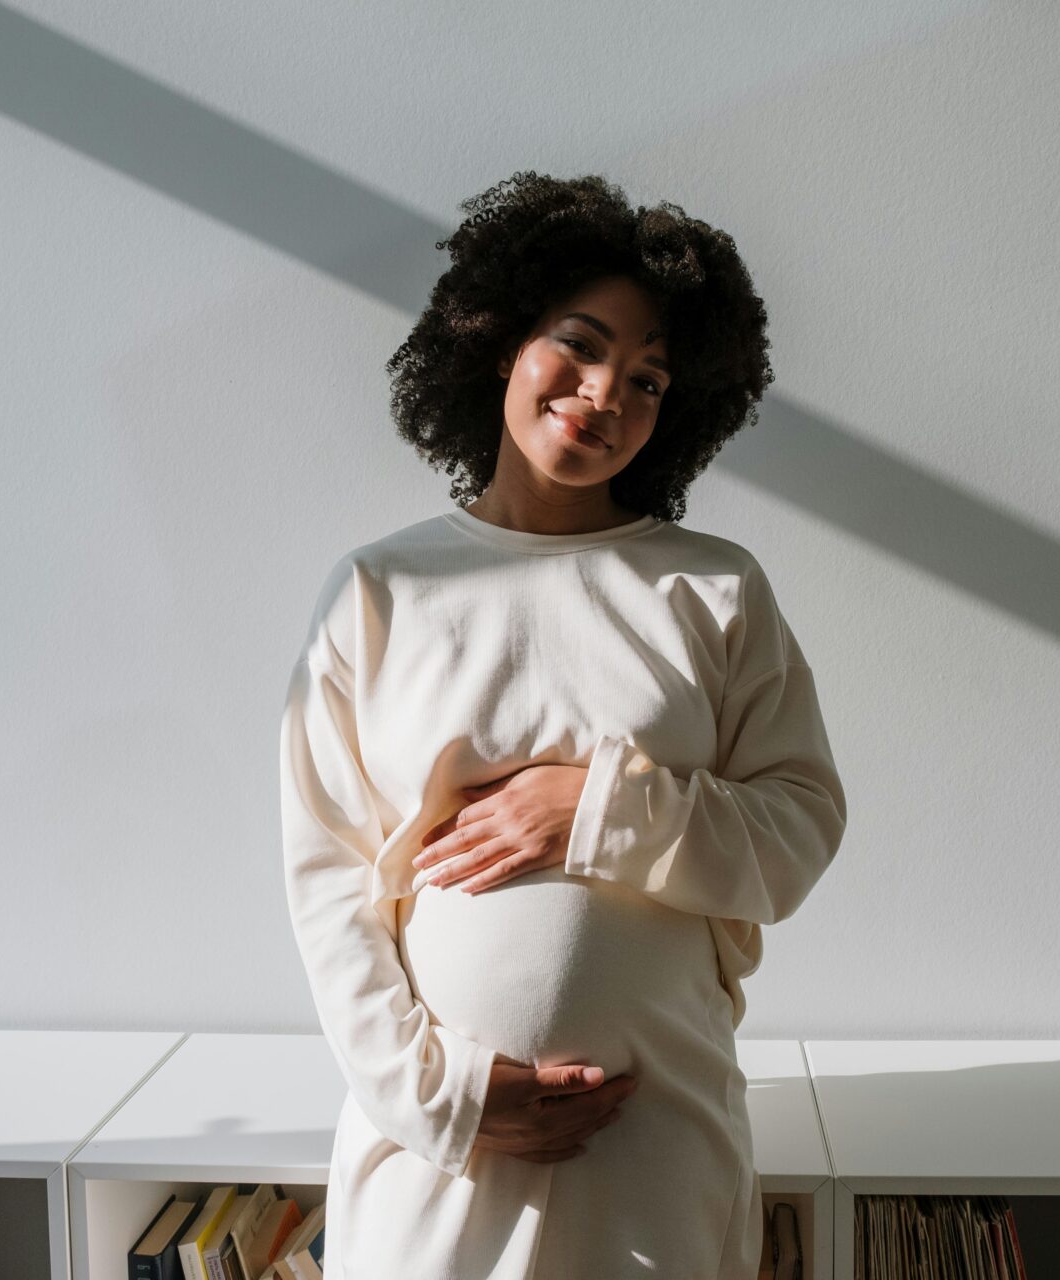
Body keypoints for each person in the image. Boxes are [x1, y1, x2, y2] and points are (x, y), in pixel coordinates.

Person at [280, 171, 848, 1278]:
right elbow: (328, 884)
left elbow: (798, 832)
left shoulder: (714, 589)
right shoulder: (379, 591)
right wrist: (440, 1096)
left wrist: (596, 808)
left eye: (647, 379)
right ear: (502, 340)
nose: (604, 393)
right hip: (441, 1164)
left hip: (655, 1147)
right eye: (580, 346)